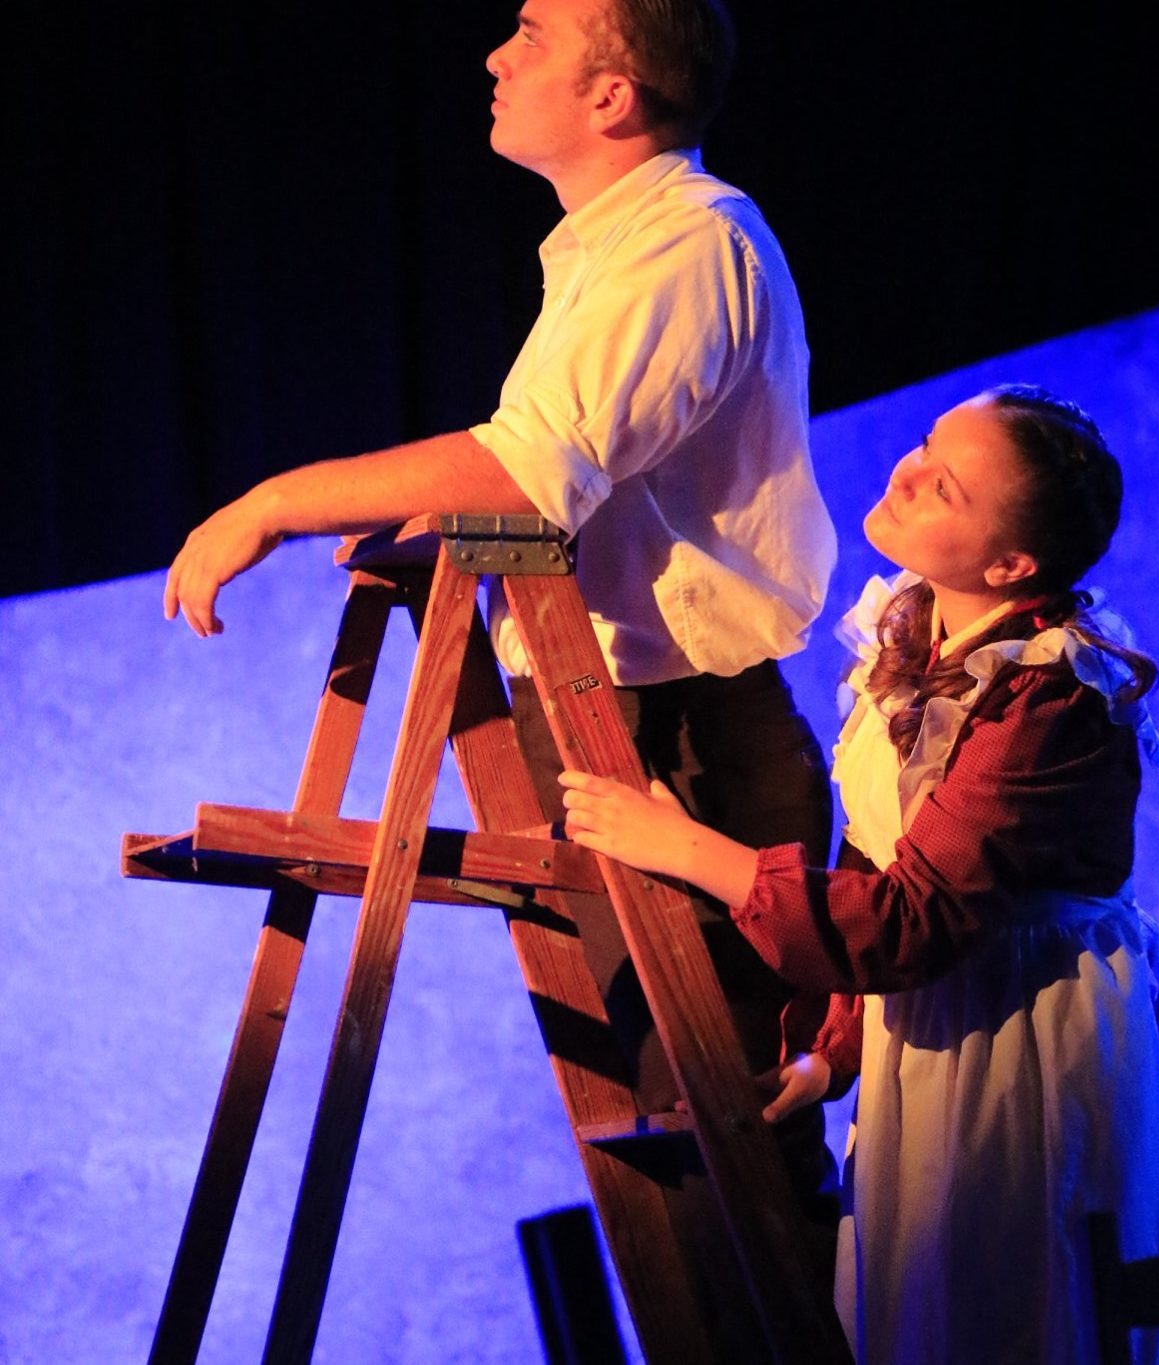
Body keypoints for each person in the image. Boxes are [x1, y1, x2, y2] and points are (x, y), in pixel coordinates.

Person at [162, 0, 842, 1301]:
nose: (494, 54)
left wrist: (273, 502)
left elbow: (530, 472)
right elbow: (548, 478)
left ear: (611, 96)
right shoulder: (608, 249)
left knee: (732, 1179)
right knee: (679, 1169)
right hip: (618, 712)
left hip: (682, 733)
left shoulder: (685, 243)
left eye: (533, 32)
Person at [560, 384, 1159, 1364]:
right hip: (925, 1027)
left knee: (1014, 1310)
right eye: (925, 445)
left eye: (944, 486)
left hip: (1019, 1041)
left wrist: (686, 847)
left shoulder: (1047, 695)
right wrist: (832, 1055)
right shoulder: (915, 634)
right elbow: (880, 850)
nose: (908, 474)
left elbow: (914, 915)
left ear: (1010, 565)